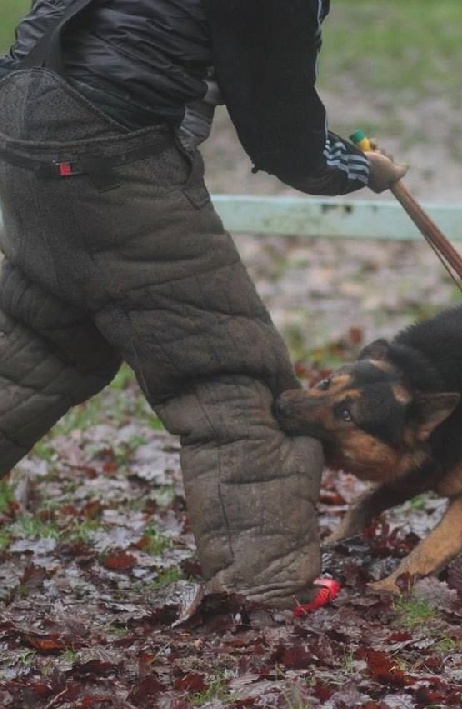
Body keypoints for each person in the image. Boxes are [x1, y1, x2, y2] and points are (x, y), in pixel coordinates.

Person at [0, 0, 407, 609]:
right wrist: (355, 166)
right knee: (226, 368)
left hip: (25, 118)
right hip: (115, 149)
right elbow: (278, 126)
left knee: (42, 344)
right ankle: (266, 583)